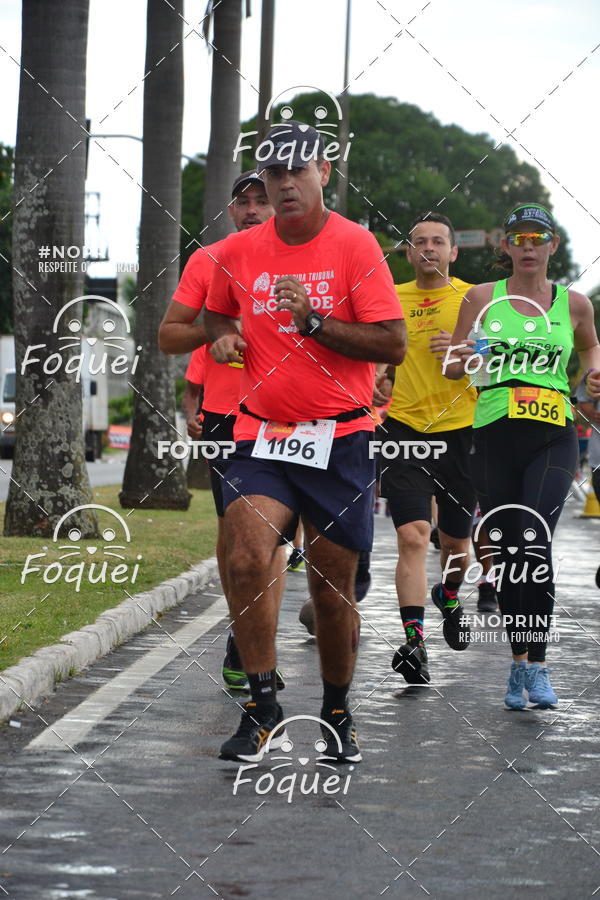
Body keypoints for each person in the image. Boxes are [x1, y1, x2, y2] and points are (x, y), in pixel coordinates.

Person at [203, 121, 406, 764]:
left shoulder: (355, 245)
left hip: (340, 436)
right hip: (261, 432)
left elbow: (392, 343)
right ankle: (261, 710)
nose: (286, 183)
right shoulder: (240, 249)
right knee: (244, 557)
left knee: (329, 587)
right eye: (273, 174)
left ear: (323, 171)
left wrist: (313, 322)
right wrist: (225, 336)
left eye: (298, 170)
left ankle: (338, 711)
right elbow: (213, 308)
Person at [444, 202, 600, 708]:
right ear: (505, 246)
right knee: (511, 554)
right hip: (493, 434)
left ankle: (539, 666)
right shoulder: (482, 297)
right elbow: (453, 365)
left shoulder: (574, 304)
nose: (529, 247)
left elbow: (591, 348)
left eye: (539, 238)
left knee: (534, 540)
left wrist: (590, 378)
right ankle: (518, 665)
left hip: (552, 434)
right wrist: (461, 358)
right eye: (520, 238)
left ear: (553, 245)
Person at [159, 171, 285, 693]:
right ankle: (245, 632)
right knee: (234, 535)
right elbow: (170, 334)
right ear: (231, 211)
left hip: (286, 414)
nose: (253, 209)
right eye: (244, 202)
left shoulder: (299, 258)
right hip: (224, 417)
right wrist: (221, 329)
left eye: (262, 201)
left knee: (272, 540)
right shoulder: (207, 260)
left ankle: (254, 647)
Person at [378, 213, 477, 685]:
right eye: (419, 242)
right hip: (405, 428)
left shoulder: (475, 299)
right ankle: (414, 641)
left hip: (462, 431)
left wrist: (469, 353)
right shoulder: (391, 297)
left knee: (457, 545)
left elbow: (502, 361)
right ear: (409, 252)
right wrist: (376, 379)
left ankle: (450, 595)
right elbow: (376, 353)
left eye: (439, 241)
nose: (429, 248)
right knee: (413, 535)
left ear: (453, 252)